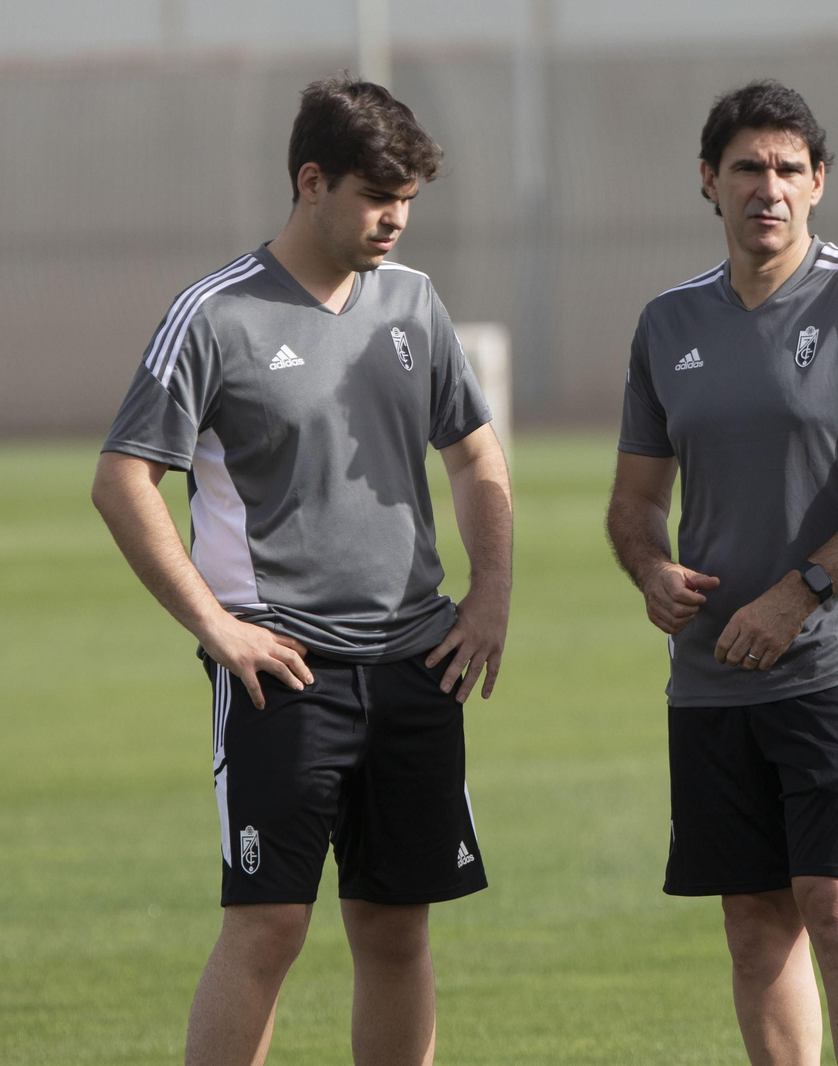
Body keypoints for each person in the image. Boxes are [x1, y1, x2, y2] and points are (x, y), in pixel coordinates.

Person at [91, 74, 512, 1066]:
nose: (395, 220)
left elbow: (476, 455)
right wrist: (216, 624)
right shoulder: (215, 315)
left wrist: (489, 593)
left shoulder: (412, 301)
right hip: (282, 670)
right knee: (269, 924)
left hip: (417, 663)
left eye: (406, 200)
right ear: (309, 180)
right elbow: (122, 481)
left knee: (396, 924)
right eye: (376, 197)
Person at [605, 80, 838, 1066]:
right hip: (711, 677)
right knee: (753, 921)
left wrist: (801, 593)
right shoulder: (667, 323)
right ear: (708, 181)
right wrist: (650, 570)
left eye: (789, 169)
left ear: (819, 181)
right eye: (747, 168)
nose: (769, 188)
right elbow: (632, 505)